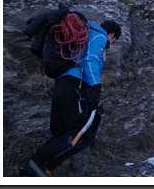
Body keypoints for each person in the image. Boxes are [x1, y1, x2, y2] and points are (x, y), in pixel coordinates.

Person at [22, 10, 121, 177]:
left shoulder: (84, 34)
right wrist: (96, 87)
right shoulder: (99, 36)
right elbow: (91, 59)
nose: (111, 42)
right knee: (83, 131)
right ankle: (37, 165)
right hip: (77, 84)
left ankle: (37, 170)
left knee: (62, 131)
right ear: (112, 34)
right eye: (114, 39)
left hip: (61, 84)